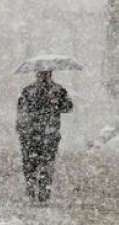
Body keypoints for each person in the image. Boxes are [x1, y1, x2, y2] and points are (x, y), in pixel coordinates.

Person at [16, 70, 73, 203]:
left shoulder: (58, 90)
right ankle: (31, 189)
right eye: (41, 74)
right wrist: (22, 128)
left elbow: (69, 107)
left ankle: (43, 191)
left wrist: (56, 103)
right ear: (37, 74)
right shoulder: (28, 91)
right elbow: (21, 109)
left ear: (50, 74)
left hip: (48, 134)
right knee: (30, 164)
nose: (43, 76)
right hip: (31, 134)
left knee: (46, 164)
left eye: (46, 74)